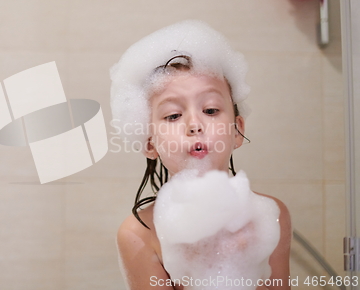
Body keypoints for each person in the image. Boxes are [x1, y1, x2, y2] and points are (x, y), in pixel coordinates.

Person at [110, 20, 291, 290]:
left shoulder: (271, 216)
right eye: (173, 115)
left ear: (237, 131)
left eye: (211, 110)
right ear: (149, 142)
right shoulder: (139, 234)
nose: (195, 124)